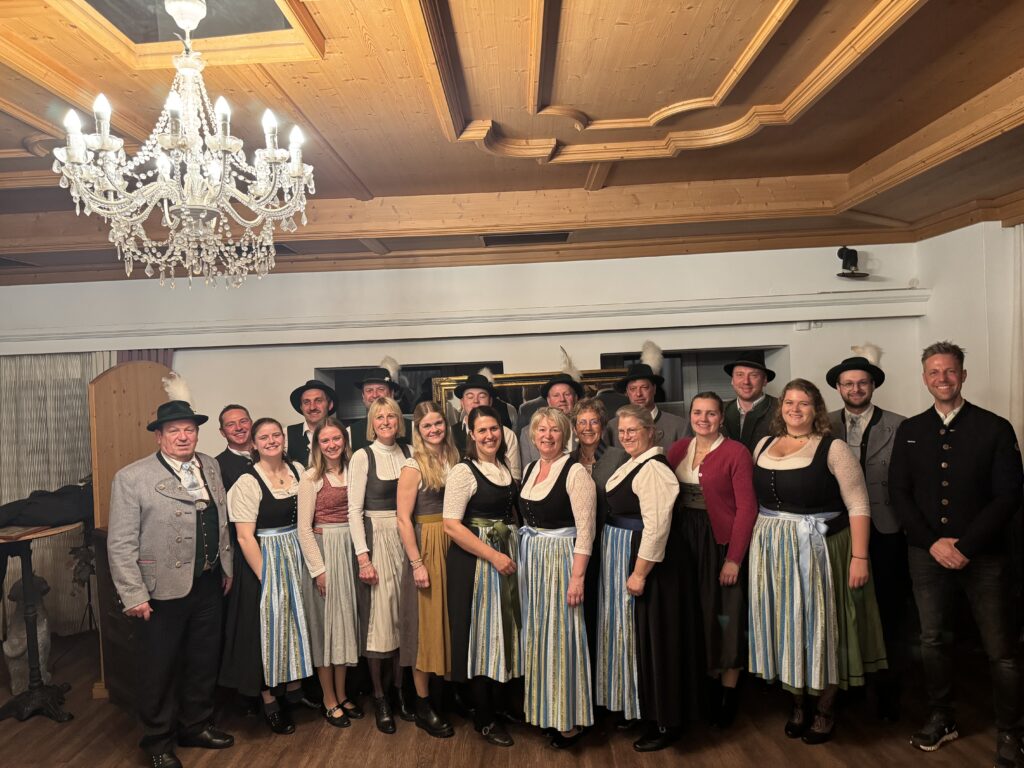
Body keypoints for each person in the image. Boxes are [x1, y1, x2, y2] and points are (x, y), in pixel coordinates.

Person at [889, 341, 1024, 767]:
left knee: (1001, 649)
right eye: (934, 371)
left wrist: (966, 546)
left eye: (949, 371)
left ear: (963, 375)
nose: (942, 378)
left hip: (985, 556)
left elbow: (1009, 496)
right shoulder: (910, 430)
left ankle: (1011, 731)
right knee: (932, 640)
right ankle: (942, 717)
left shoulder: (995, 427)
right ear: (924, 378)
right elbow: (899, 493)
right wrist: (932, 542)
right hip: (926, 555)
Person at [748, 379, 887, 745]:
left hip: (820, 549)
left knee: (821, 623)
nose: (795, 409)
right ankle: (798, 702)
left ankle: (825, 707)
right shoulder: (762, 445)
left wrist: (859, 557)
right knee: (786, 624)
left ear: (816, 409)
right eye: (789, 402)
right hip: (773, 552)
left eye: (804, 403)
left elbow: (859, 504)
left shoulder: (833, 448)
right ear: (780, 408)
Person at [108, 399, 235, 768]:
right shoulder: (132, 477)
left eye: (189, 430)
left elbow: (220, 521)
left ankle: (196, 725)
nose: (183, 436)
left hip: (208, 582)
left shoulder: (209, 465)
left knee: (202, 660)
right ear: (159, 437)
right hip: (160, 590)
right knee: (159, 668)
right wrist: (133, 594)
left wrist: (226, 567)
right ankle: (158, 742)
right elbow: (121, 542)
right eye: (174, 430)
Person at [596, 404, 686, 752]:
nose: (626, 436)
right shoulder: (633, 463)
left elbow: (657, 527)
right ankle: (639, 707)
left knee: (653, 639)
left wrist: (639, 572)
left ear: (651, 431)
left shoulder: (655, 469)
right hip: (623, 554)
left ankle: (664, 721)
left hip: (648, 565)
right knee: (633, 637)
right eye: (622, 431)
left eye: (633, 430)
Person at [825, 349, 908, 720]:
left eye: (862, 383)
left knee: (889, 610)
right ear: (838, 388)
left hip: (886, 529)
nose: (855, 389)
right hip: (838, 531)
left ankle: (888, 692)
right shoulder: (824, 424)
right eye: (848, 384)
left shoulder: (900, 425)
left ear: (873, 385)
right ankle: (849, 685)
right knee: (846, 610)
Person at [667, 391, 757, 727]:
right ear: (690, 415)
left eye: (711, 413)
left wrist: (734, 558)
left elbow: (747, 508)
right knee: (694, 614)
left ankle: (728, 693)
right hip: (684, 540)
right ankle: (702, 687)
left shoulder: (736, 452)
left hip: (718, 541)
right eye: (697, 412)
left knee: (725, 613)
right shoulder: (678, 449)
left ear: (721, 418)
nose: (703, 419)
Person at [219, 418, 314, 735]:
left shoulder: (297, 470)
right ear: (254, 444)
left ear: (283, 439)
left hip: (295, 551)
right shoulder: (248, 481)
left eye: (276, 435)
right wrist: (267, 578)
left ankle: (293, 691)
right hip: (264, 557)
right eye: (264, 437)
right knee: (264, 630)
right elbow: (244, 537)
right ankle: (270, 702)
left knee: (293, 623)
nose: (271, 441)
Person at [443, 405, 522, 747]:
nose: (489, 436)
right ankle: (484, 717)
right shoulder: (464, 471)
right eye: (482, 430)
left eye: (494, 429)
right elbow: (451, 525)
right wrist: (493, 555)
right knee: (479, 635)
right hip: (476, 562)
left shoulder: (503, 466)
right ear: (471, 435)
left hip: (504, 554)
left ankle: (500, 705)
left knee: (502, 632)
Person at [518, 407, 596, 748]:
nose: (547, 436)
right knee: (539, 635)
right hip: (533, 560)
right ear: (533, 435)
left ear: (565, 435)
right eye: (542, 430)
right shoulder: (530, 468)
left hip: (561, 560)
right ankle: (545, 711)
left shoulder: (575, 472)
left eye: (554, 430)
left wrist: (577, 578)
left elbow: (586, 531)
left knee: (562, 637)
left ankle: (568, 719)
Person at [347, 396, 413, 733]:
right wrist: (363, 557)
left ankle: (401, 692)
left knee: (403, 615)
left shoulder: (409, 452)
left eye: (391, 416)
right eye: (379, 417)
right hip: (377, 536)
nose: (386, 422)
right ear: (371, 423)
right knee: (379, 621)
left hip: (406, 537)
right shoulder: (363, 456)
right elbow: (354, 511)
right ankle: (379, 696)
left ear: (399, 421)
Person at [296, 417, 365, 728]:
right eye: (325, 440)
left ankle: (342, 692)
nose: (332, 445)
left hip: (350, 550)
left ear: (345, 440)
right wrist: (318, 570)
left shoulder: (355, 470)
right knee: (326, 628)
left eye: (336, 438)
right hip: (325, 551)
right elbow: (304, 529)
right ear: (317, 445)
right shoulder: (310, 478)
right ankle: (328, 698)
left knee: (345, 625)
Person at [395, 402, 459, 738]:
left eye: (438, 424)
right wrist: (416, 562)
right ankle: (422, 704)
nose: (434, 430)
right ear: (418, 430)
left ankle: (444, 694)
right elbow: (403, 519)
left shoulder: (455, 456)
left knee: (448, 621)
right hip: (428, 544)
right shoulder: (413, 465)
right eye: (427, 426)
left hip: (455, 543)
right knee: (425, 626)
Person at [450, 373, 522, 480]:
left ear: (490, 401)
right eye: (470, 397)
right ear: (462, 402)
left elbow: (515, 477)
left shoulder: (507, 434)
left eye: (482, 396)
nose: (476, 401)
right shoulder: (450, 433)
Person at [602, 363, 688, 452]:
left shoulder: (678, 426)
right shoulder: (612, 427)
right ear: (627, 392)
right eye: (633, 389)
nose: (638, 394)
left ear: (654, 389)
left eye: (644, 387)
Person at [519, 372, 584, 467]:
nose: (562, 399)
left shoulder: (586, 430)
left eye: (567, 394)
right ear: (548, 400)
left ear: (575, 398)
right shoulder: (527, 433)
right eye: (556, 395)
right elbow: (527, 472)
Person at [347, 360, 412, 452]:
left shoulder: (413, 428)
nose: (375, 395)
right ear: (363, 397)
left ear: (391, 394)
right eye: (369, 390)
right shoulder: (350, 433)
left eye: (381, 389)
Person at [722, 353, 778, 453]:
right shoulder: (719, 410)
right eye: (740, 375)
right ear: (732, 380)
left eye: (753, 375)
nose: (746, 382)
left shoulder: (782, 409)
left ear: (765, 380)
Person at [286, 380, 337, 466]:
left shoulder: (344, 433)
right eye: (306, 402)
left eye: (318, 401)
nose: (312, 407)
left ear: (330, 405)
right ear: (301, 407)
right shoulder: (286, 434)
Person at [215, 404, 253, 491]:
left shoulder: (271, 454)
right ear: (222, 432)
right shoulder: (216, 466)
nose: (238, 427)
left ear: (252, 424)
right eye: (230, 424)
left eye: (243, 421)